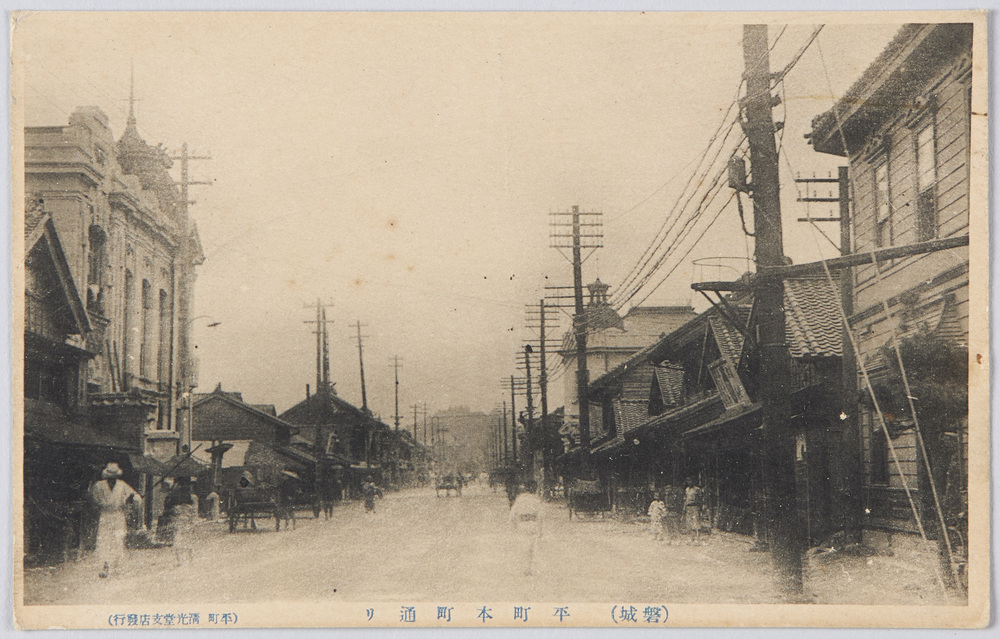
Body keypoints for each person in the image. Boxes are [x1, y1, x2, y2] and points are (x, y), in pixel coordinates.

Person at [88, 462, 141, 578]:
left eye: (114, 478)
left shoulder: (122, 485)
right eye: (110, 478)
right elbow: (93, 501)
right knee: (105, 541)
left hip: (118, 515)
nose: (112, 480)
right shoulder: (98, 486)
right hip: (106, 515)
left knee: (118, 540)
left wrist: (134, 498)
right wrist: (101, 506)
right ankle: (105, 566)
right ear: (106, 477)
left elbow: (134, 495)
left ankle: (116, 567)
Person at [508, 481, 543, 576]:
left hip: (522, 524)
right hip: (533, 524)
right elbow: (540, 515)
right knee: (531, 548)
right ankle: (529, 568)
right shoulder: (536, 500)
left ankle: (523, 568)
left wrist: (513, 526)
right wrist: (540, 529)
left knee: (523, 546)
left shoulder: (520, 500)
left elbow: (512, 514)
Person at [684, 476, 705, 545]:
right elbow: (686, 499)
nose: (689, 482)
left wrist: (700, 508)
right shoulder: (687, 489)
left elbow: (700, 499)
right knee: (689, 523)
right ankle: (691, 538)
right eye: (688, 481)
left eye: (690, 480)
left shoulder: (697, 489)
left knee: (695, 523)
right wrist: (684, 508)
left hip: (695, 507)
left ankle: (697, 539)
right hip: (688, 507)